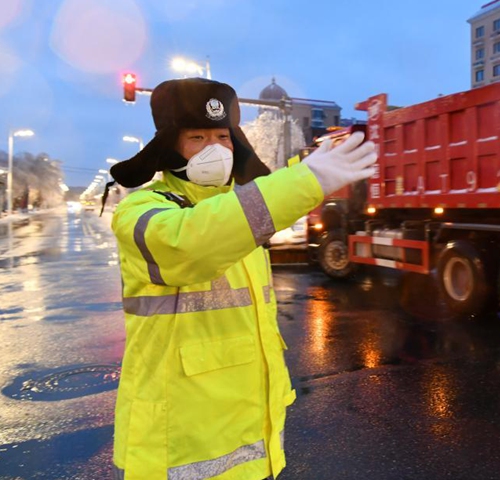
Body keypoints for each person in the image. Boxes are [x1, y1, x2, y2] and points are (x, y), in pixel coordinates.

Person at [108, 78, 376, 480]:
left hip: (253, 446)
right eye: (197, 136)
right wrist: (304, 182)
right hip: (178, 450)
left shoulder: (244, 212)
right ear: (169, 147)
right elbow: (192, 243)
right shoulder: (141, 212)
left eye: (223, 135)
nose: (214, 148)